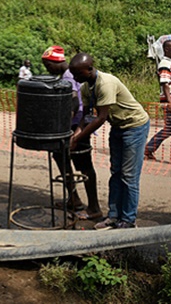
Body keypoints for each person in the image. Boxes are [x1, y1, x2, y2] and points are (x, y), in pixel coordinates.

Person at [69, 53, 150, 230]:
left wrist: (77, 138)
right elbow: (86, 117)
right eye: (73, 74)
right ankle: (113, 216)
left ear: (90, 69)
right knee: (116, 172)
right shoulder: (85, 87)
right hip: (118, 127)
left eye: (77, 74)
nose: (75, 78)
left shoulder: (105, 84)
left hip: (134, 127)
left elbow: (101, 118)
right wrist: (75, 135)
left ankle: (128, 220)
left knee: (129, 176)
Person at [41, 45, 102, 221]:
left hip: (76, 127)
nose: (47, 69)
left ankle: (93, 206)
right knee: (62, 159)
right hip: (74, 125)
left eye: (47, 65)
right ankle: (73, 199)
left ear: (54, 62)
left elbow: (74, 102)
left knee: (82, 165)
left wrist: (69, 127)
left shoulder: (68, 75)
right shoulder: (68, 74)